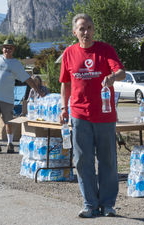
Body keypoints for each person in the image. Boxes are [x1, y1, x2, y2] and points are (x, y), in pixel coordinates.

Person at [59, 13, 126, 218]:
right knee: (82, 161)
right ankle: (89, 204)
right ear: (75, 32)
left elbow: (121, 72)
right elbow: (65, 83)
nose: (86, 32)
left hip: (105, 116)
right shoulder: (69, 53)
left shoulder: (105, 50)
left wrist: (112, 77)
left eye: (89, 27)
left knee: (107, 161)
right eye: (82, 28)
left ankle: (107, 205)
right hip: (79, 115)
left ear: (93, 30)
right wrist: (64, 108)